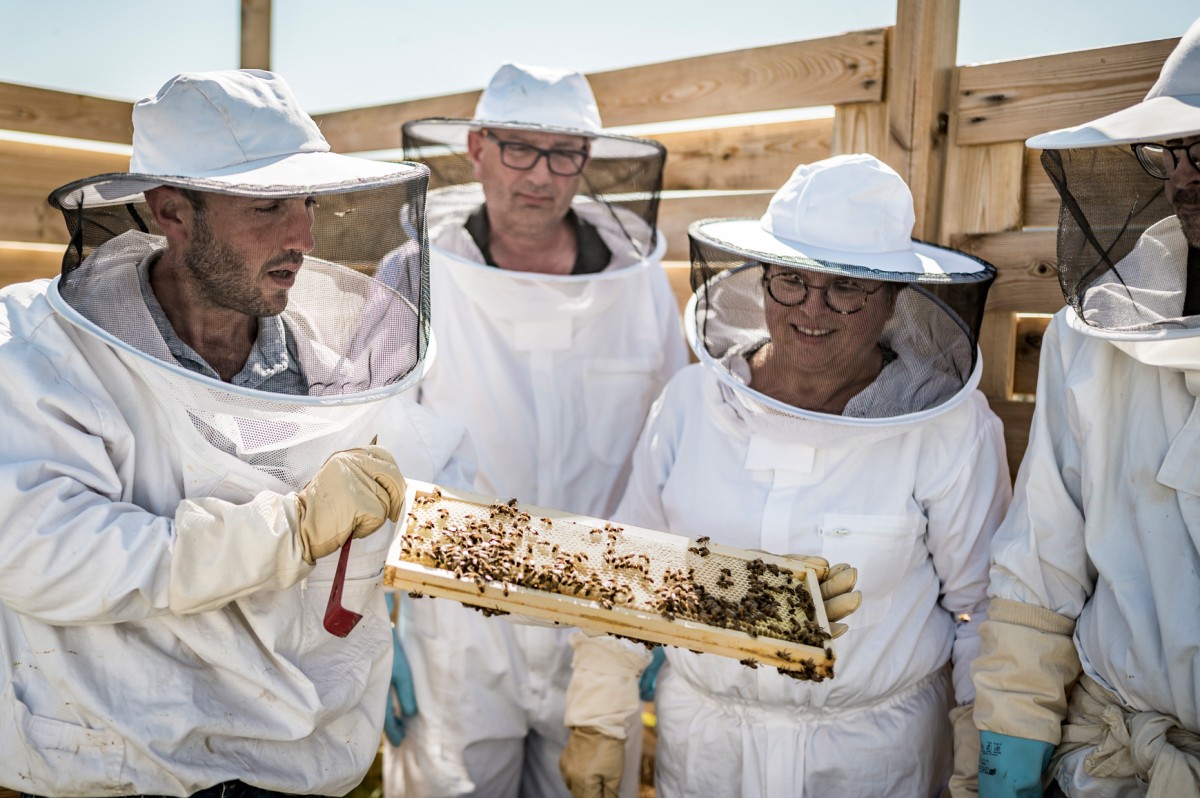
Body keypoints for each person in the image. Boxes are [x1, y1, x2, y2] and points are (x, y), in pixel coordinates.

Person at [0, 69, 472, 796]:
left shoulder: (335, 361)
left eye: (308, 202)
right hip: (114, 761)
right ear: (171, 212)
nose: (304, 237)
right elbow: (43, 552)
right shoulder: (36, 347)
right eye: (269, 206)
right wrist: (287, 532)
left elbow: (419, 497)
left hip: (300, 760)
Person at [608, 153, 1012, 797]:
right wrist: (598, 713)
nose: (811, 308)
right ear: (761, 278)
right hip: (709, 754)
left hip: (871, 761)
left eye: (848, 286)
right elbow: (627, 567)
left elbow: (981, 605)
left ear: (892, 302)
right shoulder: (690, 403)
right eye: (790, 279)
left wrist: (984, 744)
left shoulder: (947, 429)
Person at [378, 62, 688, 798]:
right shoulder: (414, 271)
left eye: (562, 154)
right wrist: (371, 617)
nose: (539, 176)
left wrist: (663, 612)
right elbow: (368, 447)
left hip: (597, 615)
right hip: (454, 616)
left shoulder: (637, 281)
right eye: (519, 148)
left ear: (586, 163)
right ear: (478, 148)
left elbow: (675, 447)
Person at [972, 17, 1200, 798]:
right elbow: (1043, 558)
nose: (1182, 178)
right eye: (1173, 150)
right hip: (1111, 762)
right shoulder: (1098, 324)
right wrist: (1006, 761)